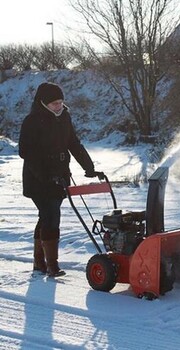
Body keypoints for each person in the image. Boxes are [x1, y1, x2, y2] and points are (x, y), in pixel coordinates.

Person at [19, 82, 97, 277]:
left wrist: (89, 167)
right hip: (38, 179)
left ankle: (39, 261)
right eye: (54, 103)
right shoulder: (32, 121)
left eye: (61, 102)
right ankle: (51, 264)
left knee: (47, 216)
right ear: (43, 103)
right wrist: (46, 176)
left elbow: (73, 143)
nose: (59, 106)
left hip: (60, 176)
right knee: (51, 215)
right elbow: (26, 152)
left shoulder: (64, 118)